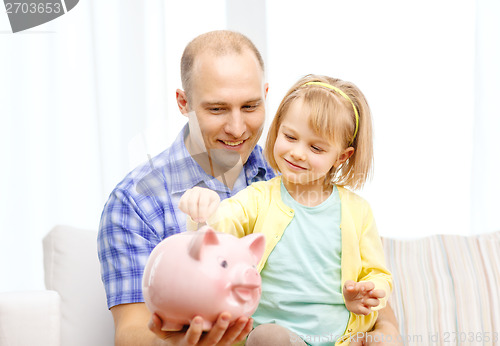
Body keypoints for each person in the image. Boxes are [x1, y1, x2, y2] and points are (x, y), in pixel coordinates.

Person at [98, 30, 401, 346]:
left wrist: (386, 334)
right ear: (183, 103)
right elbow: (132, 331)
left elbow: (371, 296)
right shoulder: (134, 200)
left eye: (250, 106)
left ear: (267, 95)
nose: (237, 128)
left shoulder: (295, 173)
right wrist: (179, 343)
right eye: (217, 109)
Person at [179, 74, 392, 345]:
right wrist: (202, 209)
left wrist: (369, 291)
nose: (298, 153)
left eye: (316, 147)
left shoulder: (357, 211)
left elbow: (377, 273)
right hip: (272, 338)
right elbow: (219, 229)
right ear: (277, 130)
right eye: (290, 137)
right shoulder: (258, 198)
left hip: (340, 339)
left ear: (341, 157)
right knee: (269, 337)